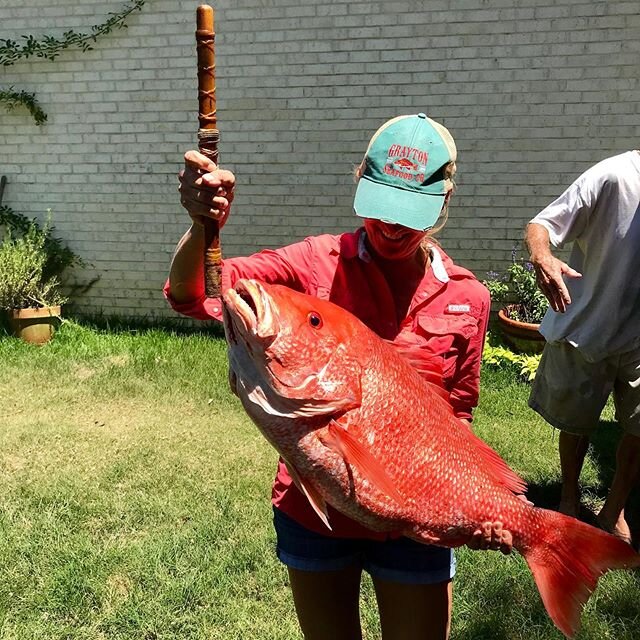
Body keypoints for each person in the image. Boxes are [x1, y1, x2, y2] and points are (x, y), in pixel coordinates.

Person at [167, 113, 513, 640]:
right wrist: (202, 226)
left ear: (444, 202)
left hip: (419, 517)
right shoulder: (314, 263)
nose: (392, 226)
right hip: (315, 512)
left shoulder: (468, 298)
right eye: (381, 208)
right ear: (359, 183)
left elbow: (457, 415)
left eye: (410, 212)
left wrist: (479, 502)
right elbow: (199, 293)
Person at [526, 149, 640, 546]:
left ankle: (614, 510)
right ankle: (569, 497)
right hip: (589, 325)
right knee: (575, 422)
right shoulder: (615, 176)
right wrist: (542, 256)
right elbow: (542, 224)